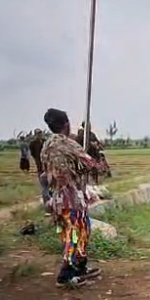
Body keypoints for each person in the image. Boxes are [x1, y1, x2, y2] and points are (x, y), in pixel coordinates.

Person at [40, 108, 105, 287]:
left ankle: (80, 266)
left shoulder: (47, 145)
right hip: (70, 197)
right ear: (66, 124)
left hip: (59, 197)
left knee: (81, 230)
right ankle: (66, 274)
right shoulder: (67, 144)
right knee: (75, 235)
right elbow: (89, 163)